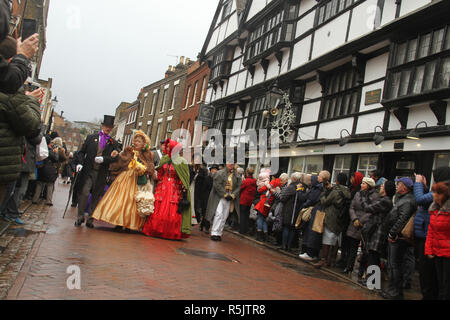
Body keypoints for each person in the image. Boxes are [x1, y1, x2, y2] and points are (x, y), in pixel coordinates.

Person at [92, 131, 155, 232]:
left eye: (138, 141)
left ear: (144, 144)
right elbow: (119, 162)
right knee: (120, 199)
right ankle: (119, 222)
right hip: (126, 176)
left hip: (138, 180)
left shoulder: (148, 155)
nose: (136, 143)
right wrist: (116, 156)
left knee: (134, 201)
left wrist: (142, 168)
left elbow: (150, 168)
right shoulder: (128, 151)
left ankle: (130, 224)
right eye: (135, 141)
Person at [74, 115, 120, 228]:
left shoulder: (113, 142)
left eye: (110, 127)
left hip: (101, 173)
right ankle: (80, 217)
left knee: (96, 196)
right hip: (88, 171)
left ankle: (90, 219)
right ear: (102, 126)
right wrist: (79, 163)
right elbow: (81, 152)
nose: (108, 128)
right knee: (84, 192)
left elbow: (116, 157)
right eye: (106, 126)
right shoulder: (91, 138)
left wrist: (104, 159)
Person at [142, 139, 192, 240]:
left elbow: (184, 178)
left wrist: (183, 187)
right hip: (162, 187)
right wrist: (151, 171)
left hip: (174, 190)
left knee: (172, 208)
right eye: (167, 146)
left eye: (169, 146)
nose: (166, 148)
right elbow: (159, 174)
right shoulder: (164, 159)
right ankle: (155, 229)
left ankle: (170, 232)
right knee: (158, 207)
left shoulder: (181, 161)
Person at [381, 177, 417, 300]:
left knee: (396, 265)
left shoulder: (407, 201)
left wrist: (392, 232)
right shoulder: (402, 199)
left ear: (405, 187)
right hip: (396, 237)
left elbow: (403, 218)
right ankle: (393, 289)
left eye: (399, 184)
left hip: (398, 239)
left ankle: (395, 291)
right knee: (393, 264)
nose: (397, 186)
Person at [313, 173, 351, 269]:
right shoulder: (347, 191)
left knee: (327, 238)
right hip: (341, 218)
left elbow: (325, 201)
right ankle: (332, 260)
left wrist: (324, 193)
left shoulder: (336, 191)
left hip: (331, 216)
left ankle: (323, 260)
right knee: (336, 240)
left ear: (337, 180)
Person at [359, 180, 396, 279]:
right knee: (373, 256)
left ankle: (372, 281)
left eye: (383, 186)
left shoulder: (385, 201)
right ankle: (371, 280)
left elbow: (367, 208)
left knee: (374, 257)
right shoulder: (384, 199)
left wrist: (362, 196)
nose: (381, 187)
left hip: (378, 232)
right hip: (376, 230)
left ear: (386, 189)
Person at [344, 177, 379, 279]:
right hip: (354, 223)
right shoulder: (358, 193)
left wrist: (361, 221)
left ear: (369, 185)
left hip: (366, 224)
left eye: (364, 183)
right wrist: (354, 219)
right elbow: (352, 207)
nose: (361, 185)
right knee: (352, 246)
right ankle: (349, 266)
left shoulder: (375, 196)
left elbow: (371, 210)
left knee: (365, 249)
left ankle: (362, 270)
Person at [414, 173, 439, 299]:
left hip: (427, 236)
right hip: (425, 234)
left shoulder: (441, 193)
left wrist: (418, 183)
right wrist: (423, 186)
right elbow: (426, 198)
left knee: (427, 272)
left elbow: (420, 199)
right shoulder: (436, 193)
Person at [205, 163, 242, 242]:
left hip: (230, 198)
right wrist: (224, 194)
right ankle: (214, 233)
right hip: (219, 197)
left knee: (225, 216)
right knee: (218, 214)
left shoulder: (236, 175)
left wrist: (232, 195)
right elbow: (217, 185)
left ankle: (219, 233)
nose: (231, 164)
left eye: (232, 163)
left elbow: (239, 186)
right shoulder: (219, 173)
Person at [426, 181, 450, 300]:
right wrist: (429, 249)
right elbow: (431, 231)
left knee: (446, 284)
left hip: (448, 253)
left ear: (443, 195)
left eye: (436, 192)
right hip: (438, 251)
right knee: (441, 282)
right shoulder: (434, 210)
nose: (433, 194)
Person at [336, 171, 364, 269]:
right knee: (344, 240)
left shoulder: (357, 191)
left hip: (352, 220)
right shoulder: (351, 188)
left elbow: (354, 205)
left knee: (350, 243)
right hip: (346, 218)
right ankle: (343, 259)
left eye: (353, 177)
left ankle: (347, 263)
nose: (351, 179)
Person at [298, 173, 326, 261]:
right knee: (309, 231)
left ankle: (310, 253)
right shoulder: (316, 188)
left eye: (320, 176)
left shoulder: (318, 189)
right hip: (315, 211)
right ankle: (308, 251)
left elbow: (309, 199)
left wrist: (304, 205)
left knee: (312, 232)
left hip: (316, 212)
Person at [31, 137, 66, 206]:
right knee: (50, 185)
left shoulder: (45, 148)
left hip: (42, 167)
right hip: (51, 169)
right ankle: (48, 200)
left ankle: (35, 199)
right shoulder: (57, 150)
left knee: (39, 184)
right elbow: (57, 159)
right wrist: (57, 153)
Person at [279, 172, 304, 251]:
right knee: (292, 228)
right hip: (297, 210)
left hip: (289, 210)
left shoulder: (291, 187)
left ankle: (284, 245)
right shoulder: (302, 187)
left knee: (287, 227)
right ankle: (289, 246)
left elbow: (283, 198)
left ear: (293, 179)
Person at [254, 174, 282, 242]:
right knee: (264, 219)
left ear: (273, 177)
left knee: (260, 218)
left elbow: (260, 190)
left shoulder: (271, 183)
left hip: (263, 203)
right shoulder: (279, 184)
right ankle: (265, 236)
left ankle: (259, 234)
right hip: (270, 204)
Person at [199, 165, 219, 233]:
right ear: (210, 171)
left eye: (215, 170)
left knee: (210, 213)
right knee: (205, 212)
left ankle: (207, 227)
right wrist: (202, 198)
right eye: (213, 170)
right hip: (206, 197)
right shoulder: (207, 178)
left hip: (213, 198)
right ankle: (202, 225)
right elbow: (203, 188)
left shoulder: (217, 179)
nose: (214, 171)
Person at [239, 167, 256, 235]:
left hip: (244, 199)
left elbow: (241, 188)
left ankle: (242, 230)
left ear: (247, 173)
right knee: (246, 215)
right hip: (250, 200)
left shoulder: (246, 181)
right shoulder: (254, 181)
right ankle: (246, 230)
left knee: (242, 215)